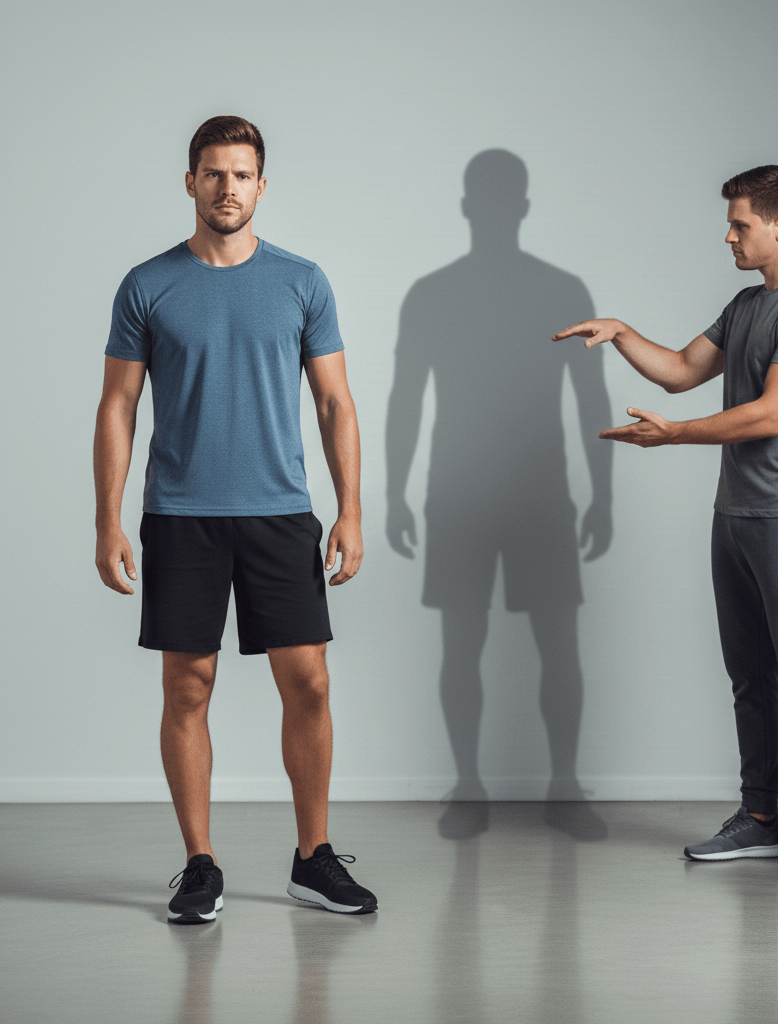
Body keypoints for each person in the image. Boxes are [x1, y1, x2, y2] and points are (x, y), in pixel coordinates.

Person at [553, 165, 778, 879]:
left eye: (740, 224)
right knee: (749, 675)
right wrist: (622, 334)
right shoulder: (743, 305)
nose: (728, 235)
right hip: (733, 514)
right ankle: (760, 818)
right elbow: (675, 370)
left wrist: (674, 437)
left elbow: (770, 413)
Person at [93, 115, 378, 921]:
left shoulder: (302, 281)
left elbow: (335, 402)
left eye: (242, 174)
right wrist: (107, 520)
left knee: (310, 684)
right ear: (190, 182)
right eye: (213, 174)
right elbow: (118, 405)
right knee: (189, 685)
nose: (227, 188)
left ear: (262, 185)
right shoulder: (147, 283)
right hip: (180, 515)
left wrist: (350, 510)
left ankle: (313, 859)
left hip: (280, 511)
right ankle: (199, 865)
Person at [385, 150, 613, 841]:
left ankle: (561, 785)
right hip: (463, 489)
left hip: (530, 489)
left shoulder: (557, 291)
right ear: (512, 207)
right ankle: (471, 785)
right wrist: (392, 494)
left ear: (498, 209)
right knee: (468, 644)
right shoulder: (442, 293)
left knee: (550, 646)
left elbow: (591, 397)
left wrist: (603, 494)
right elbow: (406, 399)